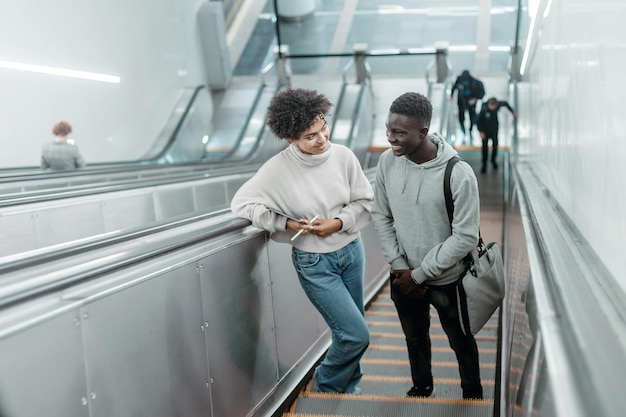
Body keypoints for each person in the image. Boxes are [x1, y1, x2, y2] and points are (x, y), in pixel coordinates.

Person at [230, 88, 373, 394]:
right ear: (291, 138)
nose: (322, 139)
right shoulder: (276, 170)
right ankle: (326, 386)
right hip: (315, 262)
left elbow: (365, 202)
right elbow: (242, 204)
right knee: (355, 333)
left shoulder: (344, 156)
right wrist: (286, 223)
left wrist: (337, 222)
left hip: (351, 250)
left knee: (351, 327)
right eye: (310, 136)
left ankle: (350, 385)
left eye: (324, 128)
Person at [371, 92, 483, 399]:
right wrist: (399, 265)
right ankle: (422, 387)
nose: (391, 138)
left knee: (460, 340)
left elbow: (465, 237)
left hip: (446, 280)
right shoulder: (387, 162)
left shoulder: (458, 174)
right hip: (402, 275)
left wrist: (419, 275)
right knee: (414, 338)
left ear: (423, 132)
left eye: (400, 132)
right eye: (389, 129)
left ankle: (472, 394)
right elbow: (380, 213)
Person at [476, 97, 517, 173]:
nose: (493, 108)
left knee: (495, 146)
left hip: (494, 130)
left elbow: (505, 103)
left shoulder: (497, 105)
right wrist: (481, 131)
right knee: (485, 148)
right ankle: (484, 165)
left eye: (495, 107)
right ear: (489, 104)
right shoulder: (483, 109)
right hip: (485, 132)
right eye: (492, 107)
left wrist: (512, 112)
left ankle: (493, 160)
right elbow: (478, 121)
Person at [450, 70, 485, 141]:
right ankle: (463, 131)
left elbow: (481, 93)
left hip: (471, 103)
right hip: (461, 102)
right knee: (461, 117)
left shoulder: (475, 82)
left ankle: (470, 131)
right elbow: (454, 87)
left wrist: (475, 99)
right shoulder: (459, 79)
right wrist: (451, 95)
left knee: (472, 118)